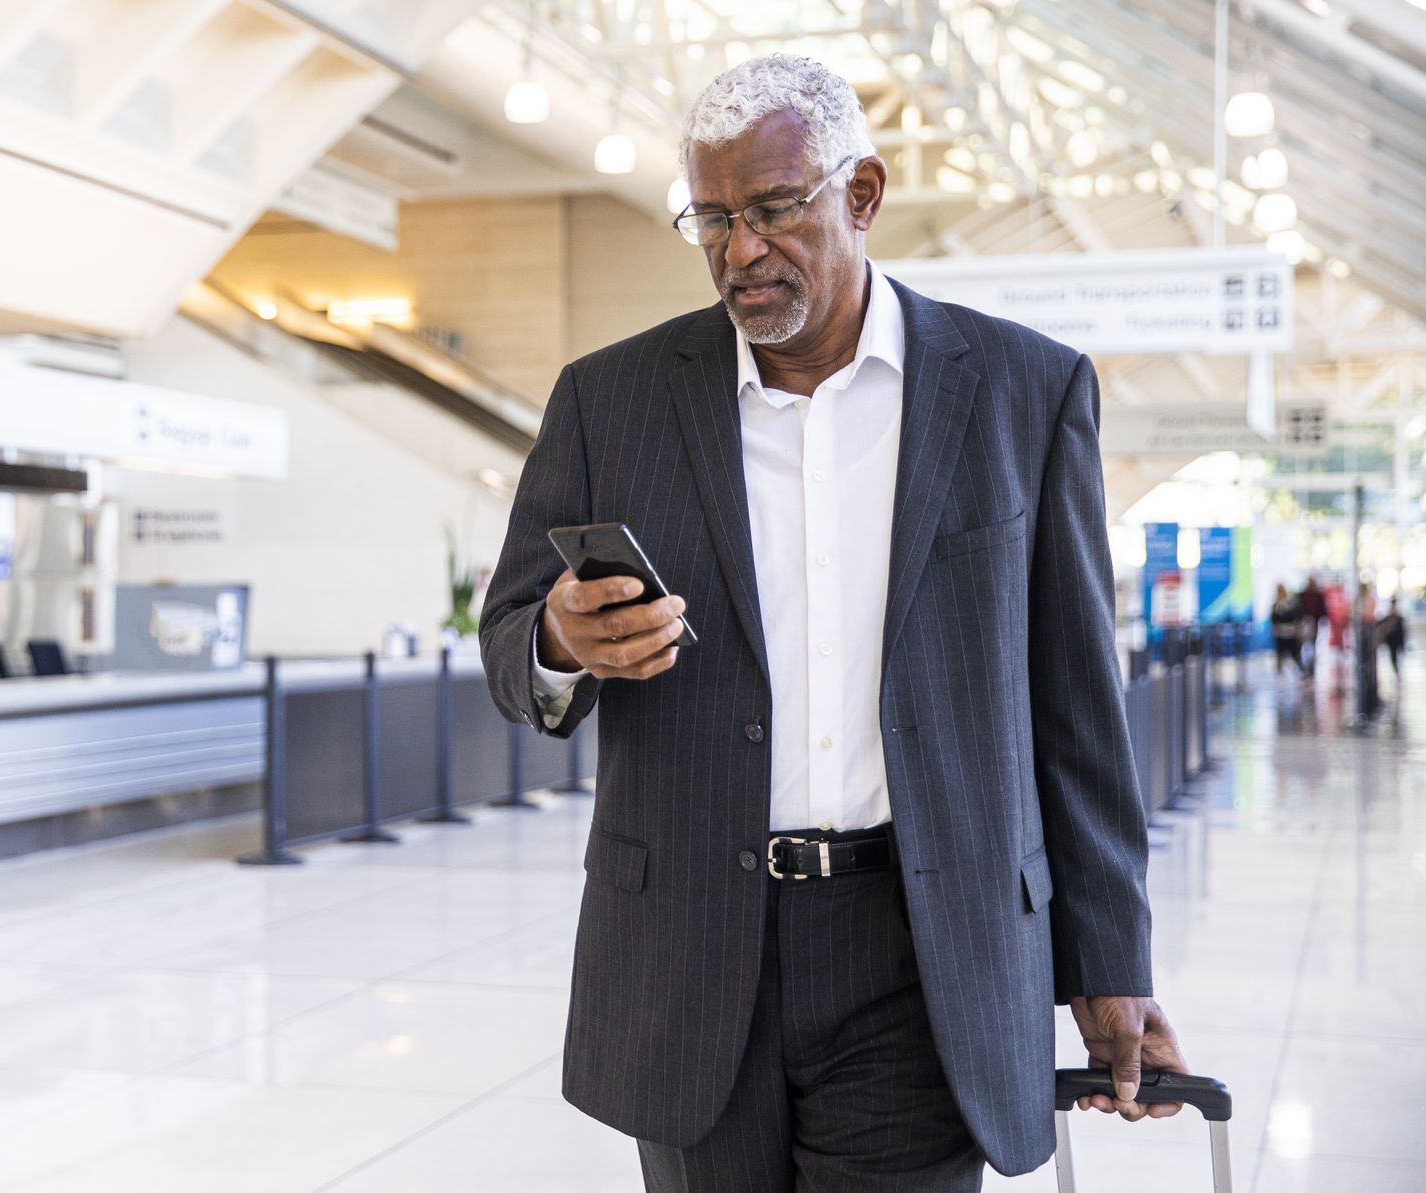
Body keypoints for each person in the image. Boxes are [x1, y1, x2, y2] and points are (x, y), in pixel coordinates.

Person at [478, 54, 1183, 1192]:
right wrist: (560, 640)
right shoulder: (609, 402)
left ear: (861, 194)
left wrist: (1111, 956)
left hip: (922, 946)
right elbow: (509, 642)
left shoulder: (1020, 391)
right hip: (693, 949)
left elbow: (1075, 706)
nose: (738, 251)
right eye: (709, 217)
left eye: (771, 209)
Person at [1270, 583, 1305, 676]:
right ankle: (1280, 673)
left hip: (1291, 633)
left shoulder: (1291, 602)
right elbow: (1274, 618)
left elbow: (1297, 616)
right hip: (1281, 633)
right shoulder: (1276, 604)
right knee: (1280, 654)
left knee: (1295, 654)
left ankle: (1300, 672)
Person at [1298, 577, 1326, 672]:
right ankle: (1304, 667)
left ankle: (1310, 668)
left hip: (1313, 623)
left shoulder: (1317, 595)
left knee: (1311, 645)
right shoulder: (1302, 595)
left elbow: (1322, 610)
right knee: (1303, 645)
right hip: (1303, 624)